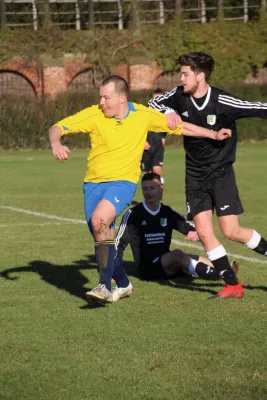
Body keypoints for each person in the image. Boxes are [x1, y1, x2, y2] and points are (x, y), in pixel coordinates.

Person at [48, 74, 231, 303]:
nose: (101, 102)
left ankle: (104, 287)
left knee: (99, 221)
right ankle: (123, 284)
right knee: (101, 237)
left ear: (122, 98)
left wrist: (212, 133)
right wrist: (56, 142)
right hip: (93, 184)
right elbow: (57, 127)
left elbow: (181, 127)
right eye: (100, 98)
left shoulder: (143, 115)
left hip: (122, 183)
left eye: (106, 98)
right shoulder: (94, 114)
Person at [148, 51, 267, 299]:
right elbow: (153, 103)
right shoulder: (179, 96)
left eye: (185, 74)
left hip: (221, 173)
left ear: (200, 76)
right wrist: (167, 113)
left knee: (231, 231)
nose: (181, 78)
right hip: (194, 175)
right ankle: (233, 286)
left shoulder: (222, 100)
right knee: (203, 232)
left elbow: (256, 107)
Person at [112, 172, 238, 302]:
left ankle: (226, 273)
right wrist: (114, 270)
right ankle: (215, 275)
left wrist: (193, 232)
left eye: (152, 188)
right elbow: (119, 243)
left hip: (167, 262)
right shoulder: (134, 214)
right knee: (178, 254)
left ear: (161, 189)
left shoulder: (167, 212)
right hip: (148, 268)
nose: (148, 192)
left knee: (197, 259)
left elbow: (187, 227)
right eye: (145, 189)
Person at [141, 88, 167, 184]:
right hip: (146, 148)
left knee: (157, 170)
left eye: (160, 98)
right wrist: (143, 142)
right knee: (149, 173)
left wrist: (162, 148)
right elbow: (140, 129)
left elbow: (164, 135)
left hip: (158, 147)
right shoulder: (146, 113)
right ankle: (151, 192)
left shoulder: (164, 116)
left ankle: (160, 187)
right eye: (156, 98)